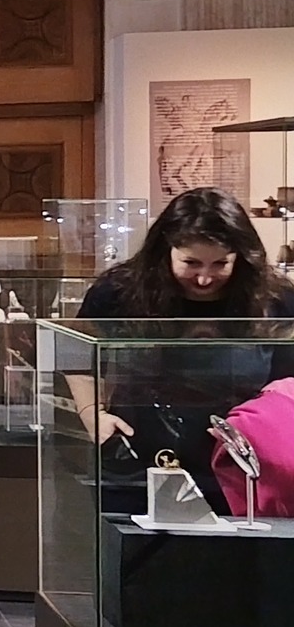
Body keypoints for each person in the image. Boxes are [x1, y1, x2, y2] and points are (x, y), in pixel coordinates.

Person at [69, 186, 294, 513]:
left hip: (243, 460)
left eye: (220, 264)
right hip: (137, 455)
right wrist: (93, 415)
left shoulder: (275, 297)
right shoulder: (119, 290)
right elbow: (77, 357)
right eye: (191, 263)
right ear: (166, 250)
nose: (204, 278)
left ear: (242, 257)